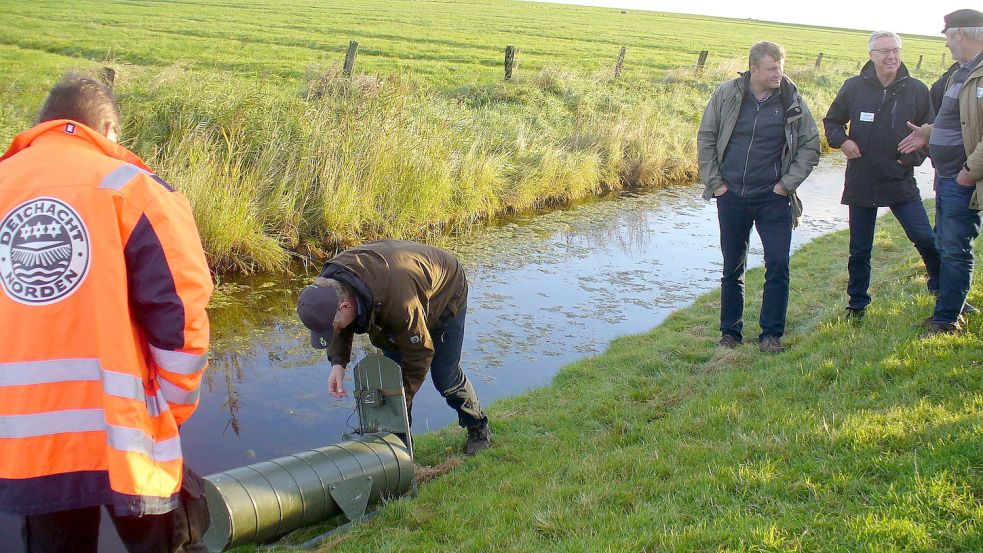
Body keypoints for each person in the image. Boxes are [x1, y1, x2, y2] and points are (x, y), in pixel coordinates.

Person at [0, 74, 213, 552]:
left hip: (26, 442)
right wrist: (172, 410)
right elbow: (182, 309)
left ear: (43, 125)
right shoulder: (133, 189)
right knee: (163, 542)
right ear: (109, 130)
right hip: (124, 433)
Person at [296, 240, 491, 454]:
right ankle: (401, 454)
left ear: (345, 306)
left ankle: (478, 427)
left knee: (445, 376)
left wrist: (403, 395)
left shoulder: (399, 303)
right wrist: (338, 362)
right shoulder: (330, 283)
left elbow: (420, 352)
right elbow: (338, 323)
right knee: (392, 380)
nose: (334, 331)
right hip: (395, 291)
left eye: (332, 327)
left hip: (444, 290)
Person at [697, 41, 821, 353]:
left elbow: (810, 146)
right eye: (771, 68)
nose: (778, 73)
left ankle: (770, 336)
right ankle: (730, 334)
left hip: (774, 198)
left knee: (778, 264)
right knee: (732, 267)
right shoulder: (727, 94)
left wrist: (785, 185)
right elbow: (707, 137)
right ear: (754, 69)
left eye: (781, 67)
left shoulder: (792, 100)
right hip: (732, 195)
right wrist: (717, 184)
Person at [823, 31, 939, 318]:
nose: (891, 56)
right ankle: (857, 304)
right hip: (861, 179)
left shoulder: (916, 89)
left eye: (896, 50)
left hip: (899, 179)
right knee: (859, 249)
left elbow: (933, 133)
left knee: (925, 238)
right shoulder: (854, 87)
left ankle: (942, 289)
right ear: (871, 55)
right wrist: (843, 141)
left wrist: (909, 159)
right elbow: (832, 122)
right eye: (884, 51)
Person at [899, 9, 983, 334]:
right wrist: (928, 133)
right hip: (946, 174)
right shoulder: (962, 72)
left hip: (961, 177)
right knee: (946, 244)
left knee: (955, 246)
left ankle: (947, 320)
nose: (946, 43)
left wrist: (968, 173)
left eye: (948, 35)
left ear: (960, 34)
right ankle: (952, 307)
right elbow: (959, 123)